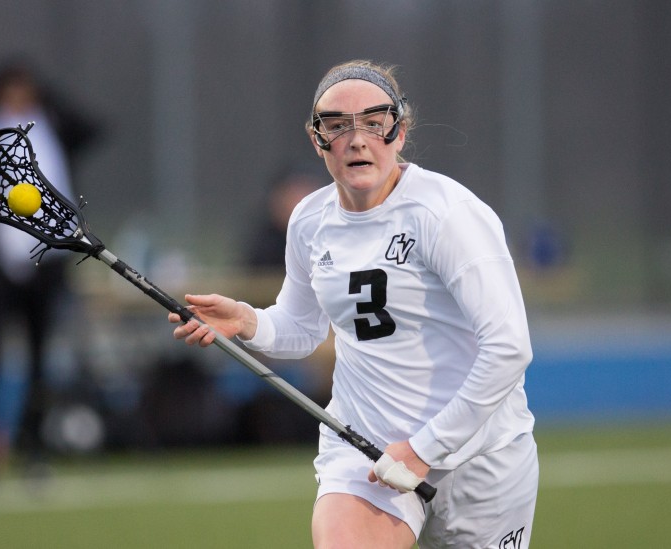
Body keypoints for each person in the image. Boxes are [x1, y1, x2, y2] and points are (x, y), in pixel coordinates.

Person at [171, 60, 538, 549]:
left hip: (481, 457)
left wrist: (424, 448)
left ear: (400, 131)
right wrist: (248, 320)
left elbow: (509, 348)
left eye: (374, 121)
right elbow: (301, 328)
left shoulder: (447, 215)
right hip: (365, 452)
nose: (357, 139)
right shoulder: (309, 220)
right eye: (337, 126)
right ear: (316, 139)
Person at [0, 57, 99, 478]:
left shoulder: (52, 124)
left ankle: (32, 448)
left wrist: (47, 95)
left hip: (49, 262)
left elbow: (92, 129)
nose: (18, 97)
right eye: (9, 88)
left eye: (25, 88)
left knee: (40, 360)